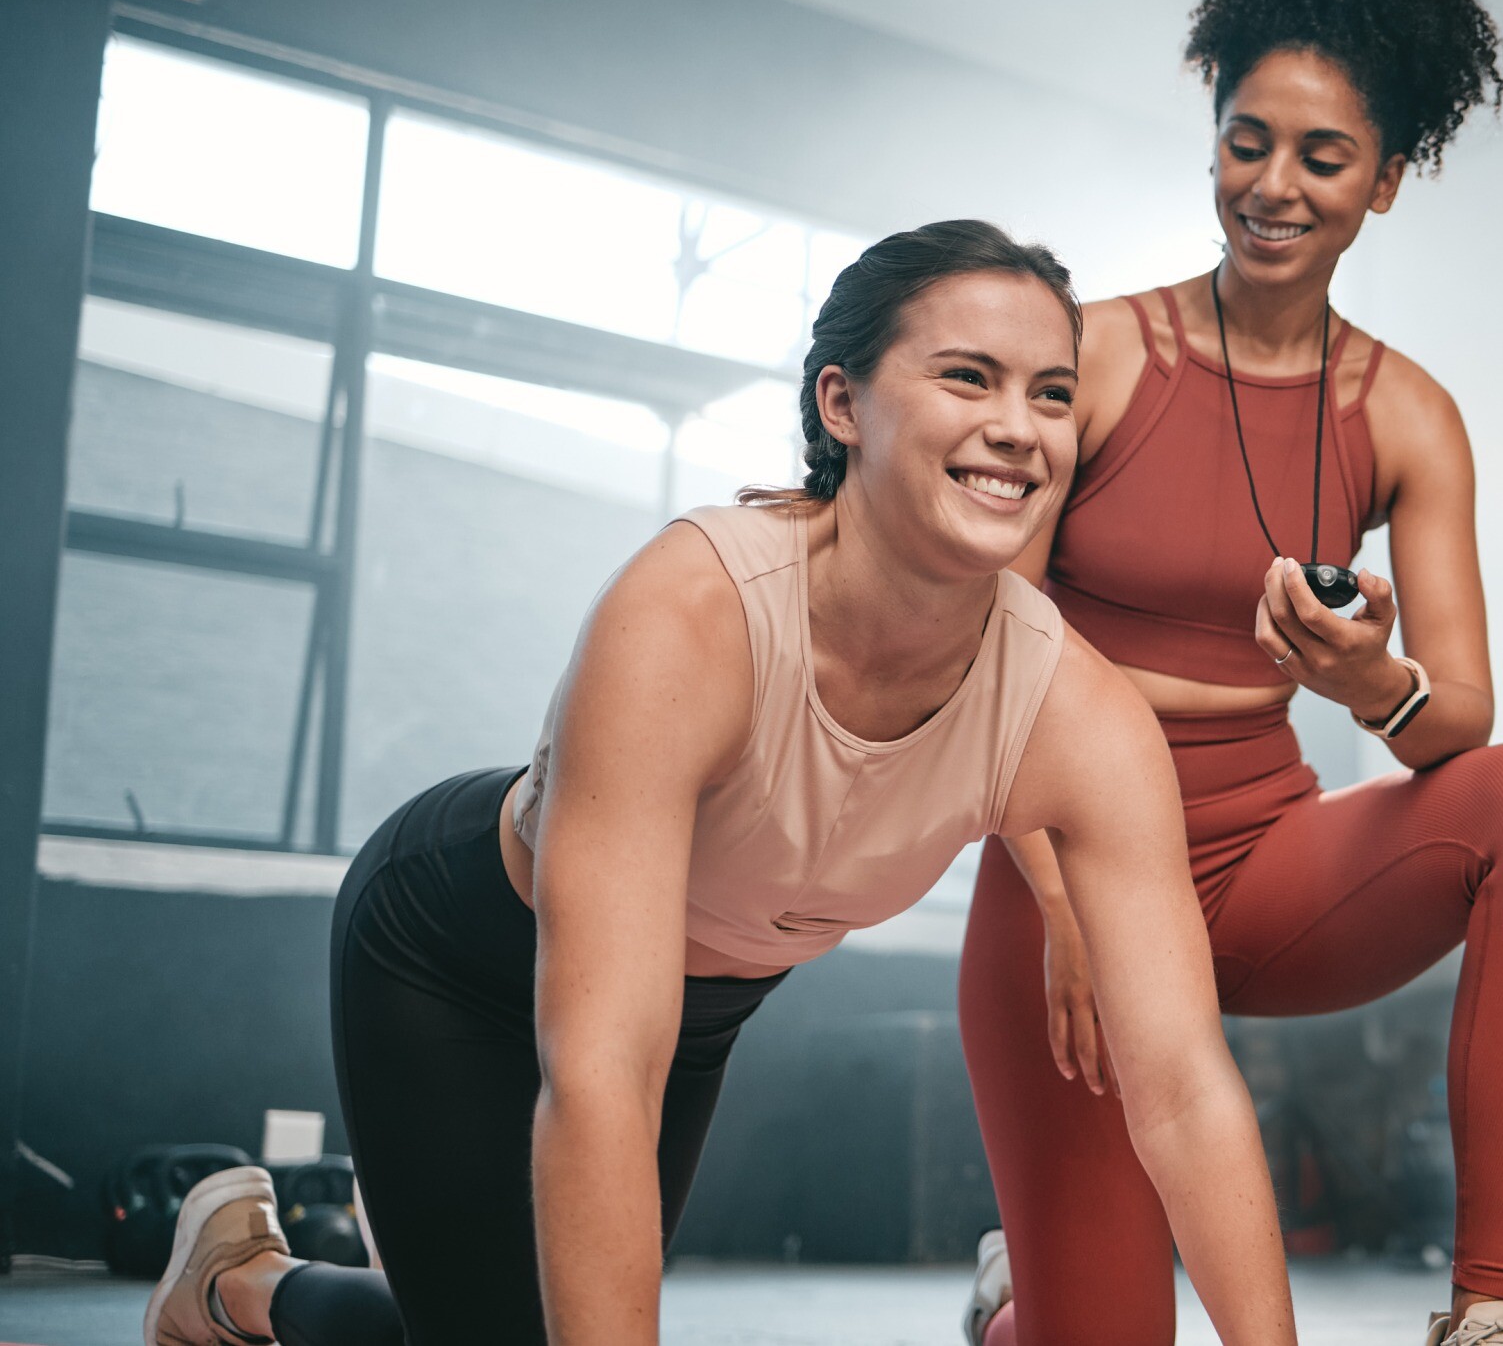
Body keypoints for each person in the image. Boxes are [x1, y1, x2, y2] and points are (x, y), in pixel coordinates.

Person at [145, 221, 1299, 1346]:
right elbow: (599, 1068)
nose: (1018, 428)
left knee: (504, 1316)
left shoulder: (1075, 716)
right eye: (967, 376)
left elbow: (1185, 1095)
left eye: (1051, 392)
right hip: (453, 953)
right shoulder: (694, 614)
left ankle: (240, 1279)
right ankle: (245, 1285)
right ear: (843, 403)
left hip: (695, 1012)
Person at [960, 0, 1503, 1346]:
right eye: (1246, 141)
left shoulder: (1407, 414)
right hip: (1064, 870)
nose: (1272, 185)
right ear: (1210, 142)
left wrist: (1373, 679)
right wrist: (1057, 894)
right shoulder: (1098, 352)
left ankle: (1489, 1318)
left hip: (1260, 859)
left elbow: (1461, 719)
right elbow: (978, 637)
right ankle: (1035, 1297)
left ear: (1386, 181)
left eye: (1322, 158)